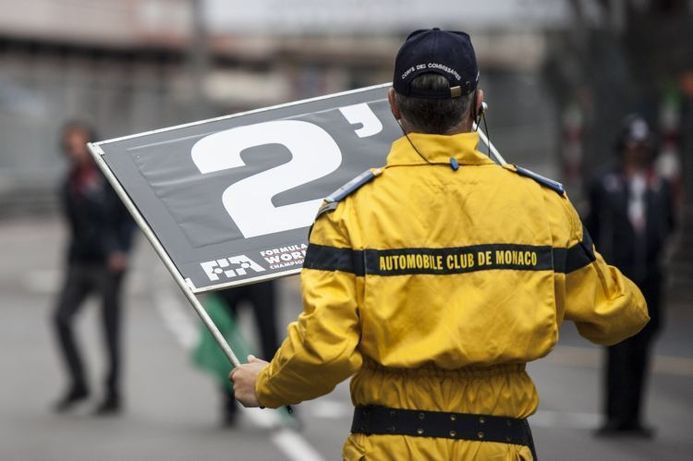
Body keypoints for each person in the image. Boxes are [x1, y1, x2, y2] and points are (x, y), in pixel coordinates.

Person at [231, 28, 649, 459]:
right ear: (477, 103)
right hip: (501, 446)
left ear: (394, 105)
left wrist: (266, 385)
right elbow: (620, 316)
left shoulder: (348, 214)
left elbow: (323, 350)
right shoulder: (542, 205)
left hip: (388, 446)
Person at [587, 115, 676, 437]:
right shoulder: (604, 183)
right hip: (617, 276)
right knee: (617, 348)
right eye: (632, 145)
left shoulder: (660, 184)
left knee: (642, 349)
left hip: (650, 276)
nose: (637, 152)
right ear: (622, 148)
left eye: (642, 146)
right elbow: (592, 226)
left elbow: (669, 224)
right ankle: (613, 415)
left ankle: (635, 416)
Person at [52, 121, 136, 415]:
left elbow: (129, 216)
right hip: (80, 261)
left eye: (77, 142)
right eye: (69, 143)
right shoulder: (69, 180)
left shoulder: (107, 178)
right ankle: (79, 383)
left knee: (109, 327)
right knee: (61, 318)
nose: (72, 148)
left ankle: (113, 391)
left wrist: (122, 251)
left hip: (108, 262)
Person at [216, 281, 280, 426]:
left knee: (269, 337)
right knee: (225, 340)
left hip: (260, 274)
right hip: (224, 275)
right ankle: (229, 404)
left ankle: (285, 406)